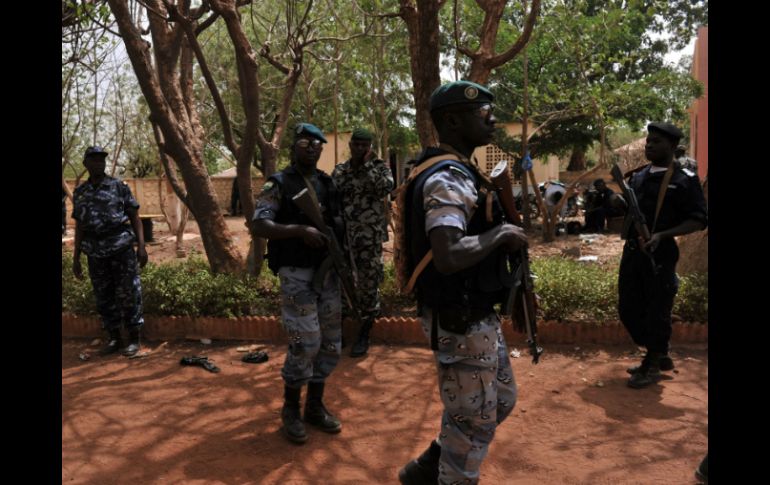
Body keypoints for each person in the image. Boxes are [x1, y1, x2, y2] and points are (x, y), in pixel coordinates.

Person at [397, 81, 528, 484]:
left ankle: (425, 468)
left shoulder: (464, 168)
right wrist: (501, 234)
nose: (491, 118)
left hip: (476, 315)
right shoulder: (448, 176)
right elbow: (449, 254)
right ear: (453, 121)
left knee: (500, 401)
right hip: (459, 319)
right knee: (474, 423)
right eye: (481, 112)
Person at [251, 123, 344, 444]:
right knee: (306, 342)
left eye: (318, 143)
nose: (313, 148)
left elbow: (337, 224)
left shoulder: (327, 183)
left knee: (331, 342)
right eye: (306, 142)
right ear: (294, 146)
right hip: (296, 274)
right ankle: (291, 408)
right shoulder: (278, 183)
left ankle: (314, 407)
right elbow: (259, 224)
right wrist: (299, 231)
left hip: (328, 274)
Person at [615, 122, 707, 389]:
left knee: (658, 309)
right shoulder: (640, 176)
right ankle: (659, 351)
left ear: (673, 147)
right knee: (628, 309)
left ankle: (653, 362)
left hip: (661, 252)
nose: (649, 145)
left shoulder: (683, 180)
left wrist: (663, 235)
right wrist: (617, 204)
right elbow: (633, 210)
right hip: (633, 252)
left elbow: (699, 220)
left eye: (656, 141)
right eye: (648, 141)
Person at [72, 146, 148, 357]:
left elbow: (135, 218)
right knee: (103, 296)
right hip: (95, 252)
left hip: (121, 248)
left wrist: (141, 247)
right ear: (86, 164)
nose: (99, 163)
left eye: (102, 160)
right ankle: (114, 338)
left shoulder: (118, 187)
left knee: (129, 293)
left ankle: (134, 339)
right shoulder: (80, 193)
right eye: (94, 160)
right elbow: (79, 227)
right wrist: (76, 257)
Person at [332, 128, 394, 357]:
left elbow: (385, 188)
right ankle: (341, 332)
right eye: (356, 144)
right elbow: (333, 194)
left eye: (364, 145)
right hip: (344, 237)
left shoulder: (380, 168)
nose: (359, 148)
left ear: (370, 148)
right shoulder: (341, 170)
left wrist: (367, 165)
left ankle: (364, 334)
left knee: (369, 283)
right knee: (343, 283)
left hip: (369, 238)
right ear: (350, 145)